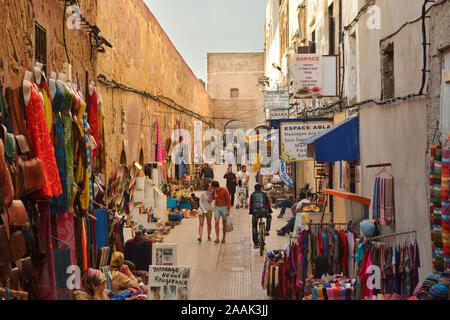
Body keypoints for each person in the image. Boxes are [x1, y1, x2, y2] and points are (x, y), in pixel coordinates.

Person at [249, 184, 272, 249]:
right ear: (261, 188)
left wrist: (251, 211)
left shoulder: (252, 195)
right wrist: (270, 210)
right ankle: (267, 230)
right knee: (269, 217)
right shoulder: (264, 194)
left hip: (255, 212)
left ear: (255, 189)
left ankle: (256, 244)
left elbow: (251, 205)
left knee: (254, 226)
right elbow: (268, 204)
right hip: (264, 211)